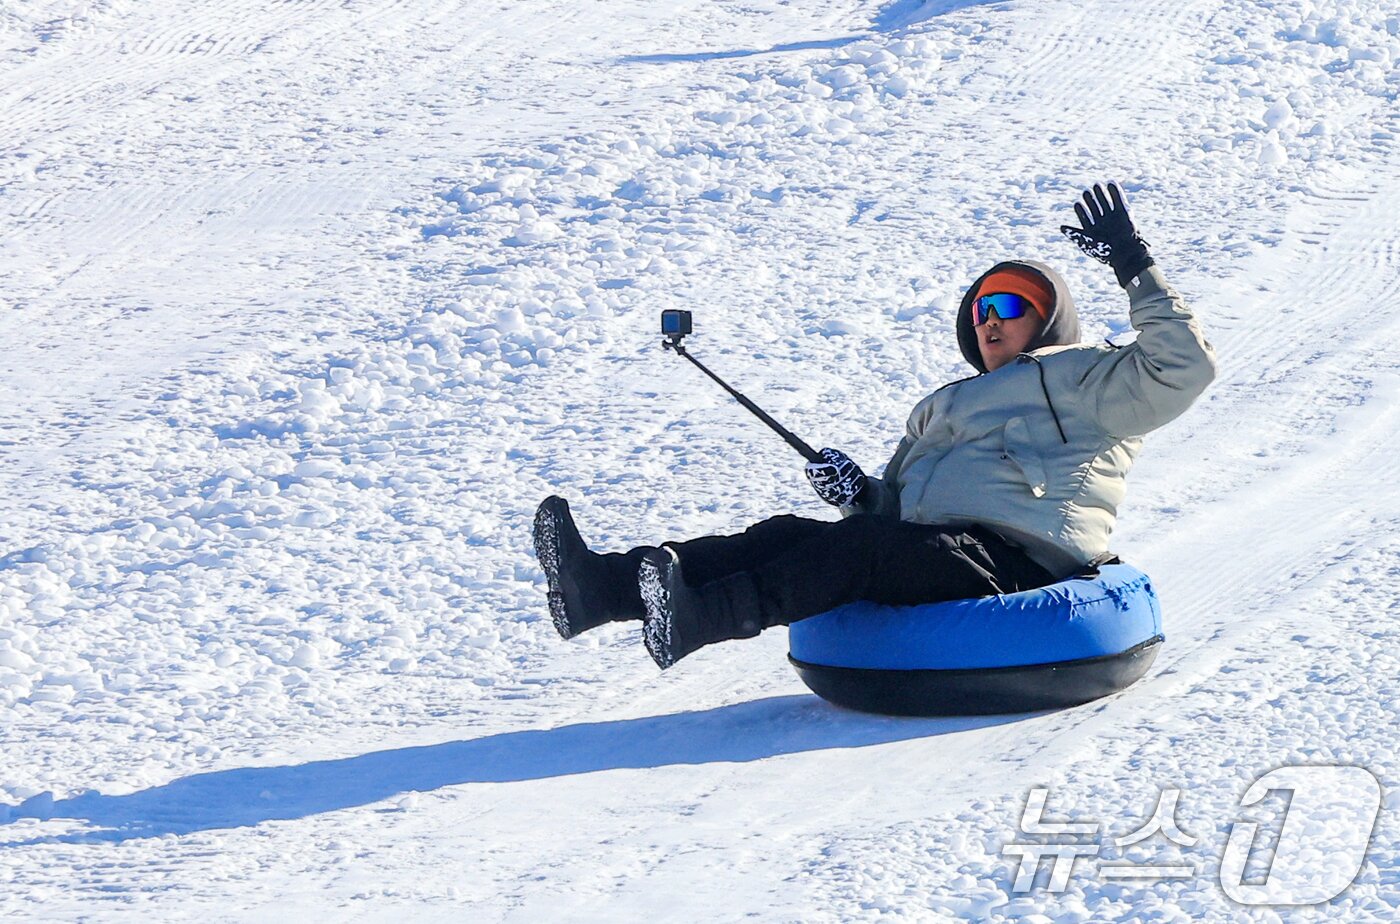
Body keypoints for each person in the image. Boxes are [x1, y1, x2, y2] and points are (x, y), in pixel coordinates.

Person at [532, 182, 1216, 670]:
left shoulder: (1089, 378)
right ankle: (602, 589)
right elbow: (903, 512)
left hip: (1013, 562)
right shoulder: (945, 403)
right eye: (980, 309)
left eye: (1011, 304)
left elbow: (1186, 367)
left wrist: (1131, 261)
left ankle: (698, 620)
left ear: (1049, 319)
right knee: (786, 534)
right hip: (937, 549)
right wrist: (858, 490)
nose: (990, 318)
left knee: (859, 551)